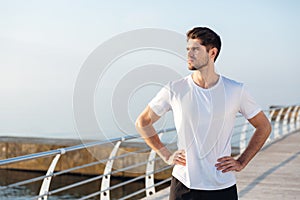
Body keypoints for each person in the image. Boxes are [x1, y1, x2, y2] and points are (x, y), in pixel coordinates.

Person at [135, 27, 271, 200]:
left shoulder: (235, 90)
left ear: (212, 52)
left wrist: (242, 161)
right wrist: (166, 155)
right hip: (184, 186)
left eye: (195, 49)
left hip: (223, 186)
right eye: (187, 49)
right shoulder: (175, 89)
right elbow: (143, 122)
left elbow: (264, 126)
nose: (189, 54)